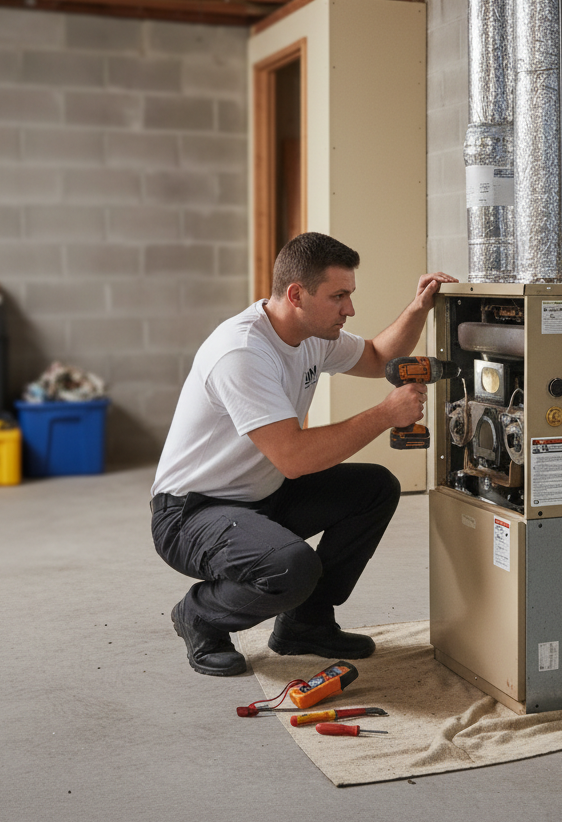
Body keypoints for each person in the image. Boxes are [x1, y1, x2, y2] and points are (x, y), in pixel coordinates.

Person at [150, 231, 458, 676]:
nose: (349, 309)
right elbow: (293, 458)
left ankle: (305, 624)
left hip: (262, 495)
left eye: (349, 295)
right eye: (338, 296)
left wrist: (418, 308)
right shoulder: (242, 352)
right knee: (291, 566)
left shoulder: (312, 333)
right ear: (297, 294)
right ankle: (199, 615)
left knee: (374, 489)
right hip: (192, 512)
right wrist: (384, 415)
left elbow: (375, 357)